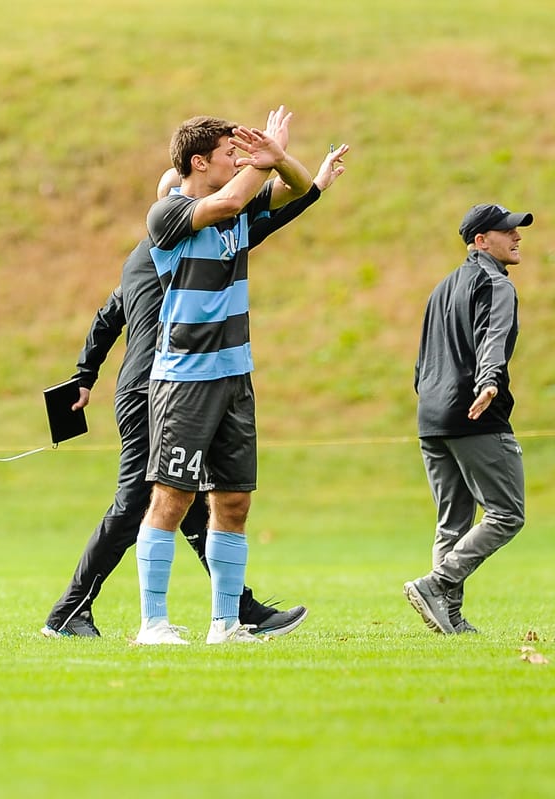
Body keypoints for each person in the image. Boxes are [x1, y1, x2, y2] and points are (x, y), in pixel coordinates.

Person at [41, 143, 348, 640]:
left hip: (179, 384)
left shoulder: (148, 257)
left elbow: (105, 318)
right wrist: (85, 374)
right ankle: (70, 610)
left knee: (192, 499)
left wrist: (84, 375)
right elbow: (234, 212)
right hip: (156, 388)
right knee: (143, 497)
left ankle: (237, 609)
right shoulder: (169, 247)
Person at [133, 108, 314, 646]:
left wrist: (279, 160)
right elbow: (231, 199)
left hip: (236, 376)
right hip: (185, 379)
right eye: (228, 153)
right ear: (198, 161)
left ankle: (226, 625)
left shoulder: (237, 201)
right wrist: (261, 162)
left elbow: (301, 190)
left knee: (234, 502)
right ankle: (153, 624)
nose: (236, 161)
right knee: (172, 499)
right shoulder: (168, 213)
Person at [403, 203, 533, 635]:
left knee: (452, 521)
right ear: (481, 241)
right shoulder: (496, 284)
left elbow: (422, 363)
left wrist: (433, 401)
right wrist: (490, 381)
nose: (516, 237)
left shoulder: (441, 287)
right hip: (476, 414)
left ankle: (449, 618)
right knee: (507, 513)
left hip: (432, 418)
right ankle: (437, 584)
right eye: (507, 231)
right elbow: (493, 339)